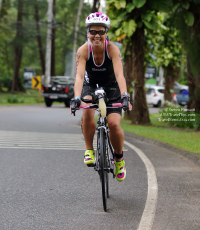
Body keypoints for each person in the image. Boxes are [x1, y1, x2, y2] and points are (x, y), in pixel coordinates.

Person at [70, 12, 132, 182]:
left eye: (101, 32)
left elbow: (120, 75)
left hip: (112, 87)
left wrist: (125, 95)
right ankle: (89, 149)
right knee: (87, 111)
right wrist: (76, 97)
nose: (97, 35)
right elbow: (79, 77)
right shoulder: (83, 50)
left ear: (106, 33)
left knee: (113, 123)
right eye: (93, 31)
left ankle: (119, 160)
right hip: (90, 85)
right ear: (88, 32)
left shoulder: (112, 49)